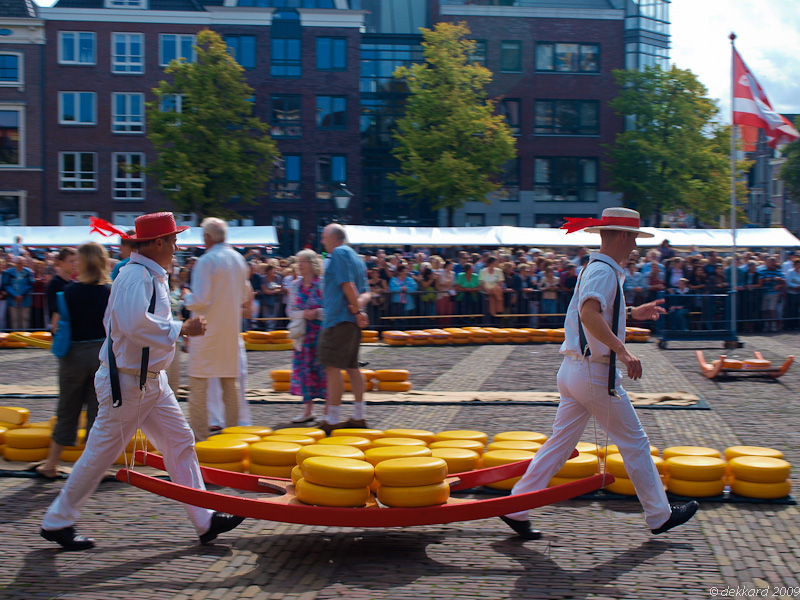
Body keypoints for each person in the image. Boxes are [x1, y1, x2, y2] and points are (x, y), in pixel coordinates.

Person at [40, 212, 244, 551]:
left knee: (180, 441)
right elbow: (134, 325)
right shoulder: (137, 276)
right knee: (100, 454)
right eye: (174, 240)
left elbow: (126, 322)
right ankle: (57, 520)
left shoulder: (147, 275)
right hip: (131, 382)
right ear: (160, 242)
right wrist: (181, 328)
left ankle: (205, 520)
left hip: (146, 380)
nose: (177, 246)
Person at [500, 208, 698, 540]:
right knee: (635, 443)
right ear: (622, 235)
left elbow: (596, 312)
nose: (635, 245)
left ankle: (517, 506)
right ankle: (660, 516)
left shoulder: (600, 269)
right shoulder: (604, 271)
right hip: (593, 374)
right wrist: (623, 350)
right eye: (634, 238)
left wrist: (633, 312)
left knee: (560, 444)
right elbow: (589, 314)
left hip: (575, 370)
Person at [36, 243, 111, 479]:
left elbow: (57, 325)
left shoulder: (68, 292)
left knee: (67, 408)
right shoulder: (110, 291)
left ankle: (51, 463)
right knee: (97, 414)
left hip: (73, 355)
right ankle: (93, 469)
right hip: (101, 355)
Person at [184, 218, 250, 442]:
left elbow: (201, 299)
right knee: (230, 384)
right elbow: (243, 297)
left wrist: (185, 298)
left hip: (206, 331)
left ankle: (201, 438)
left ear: (207, 238)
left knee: (198, 385)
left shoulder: (207, 260)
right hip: (230, 330)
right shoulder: (239, 260)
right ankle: (232, 436)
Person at [317, 223, 370, 433]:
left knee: (332, 368)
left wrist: (356, 311)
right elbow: (366, 292)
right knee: (352, 367)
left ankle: (332, 419)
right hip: (350, 321)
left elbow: (347, 285)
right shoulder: (357, 257)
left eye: (323, 236)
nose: (321, 241)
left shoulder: (338, 253)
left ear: (333, 237)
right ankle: (359, 415)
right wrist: (359, 310)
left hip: (338, 320)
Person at [287, 249, 326, 423]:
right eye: (298, 261)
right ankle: (308, 410)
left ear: (312, 264)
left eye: (303, 261)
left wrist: (316, 312)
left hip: (321, 335)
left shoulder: (323, 284)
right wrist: (303, 314)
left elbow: (331, 310)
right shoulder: (295, 286)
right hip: (303, 336)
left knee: (324, 371)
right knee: (305, 372)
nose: (300, 265)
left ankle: (327, 410)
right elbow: (290, 311)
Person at [46, 248, 78, 328]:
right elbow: (55, 309)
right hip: (60, 327)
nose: (75, 264)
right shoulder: (54, 283)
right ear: (61, 263)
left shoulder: (73, 284)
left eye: (75, 261)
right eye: (71, 261)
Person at [3, 256, 34, 330]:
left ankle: (25, 335)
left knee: (25, 318)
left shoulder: (28, 272)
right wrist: (15, 295)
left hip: (25, 299)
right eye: (18, 263)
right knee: (14, 319)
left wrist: (22, 294)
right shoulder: (9, 272)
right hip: (13, 299)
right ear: (15, 263)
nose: (20, 265)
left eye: (22, 263)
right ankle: (16, 337)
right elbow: (6, 285)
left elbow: (30, 284)